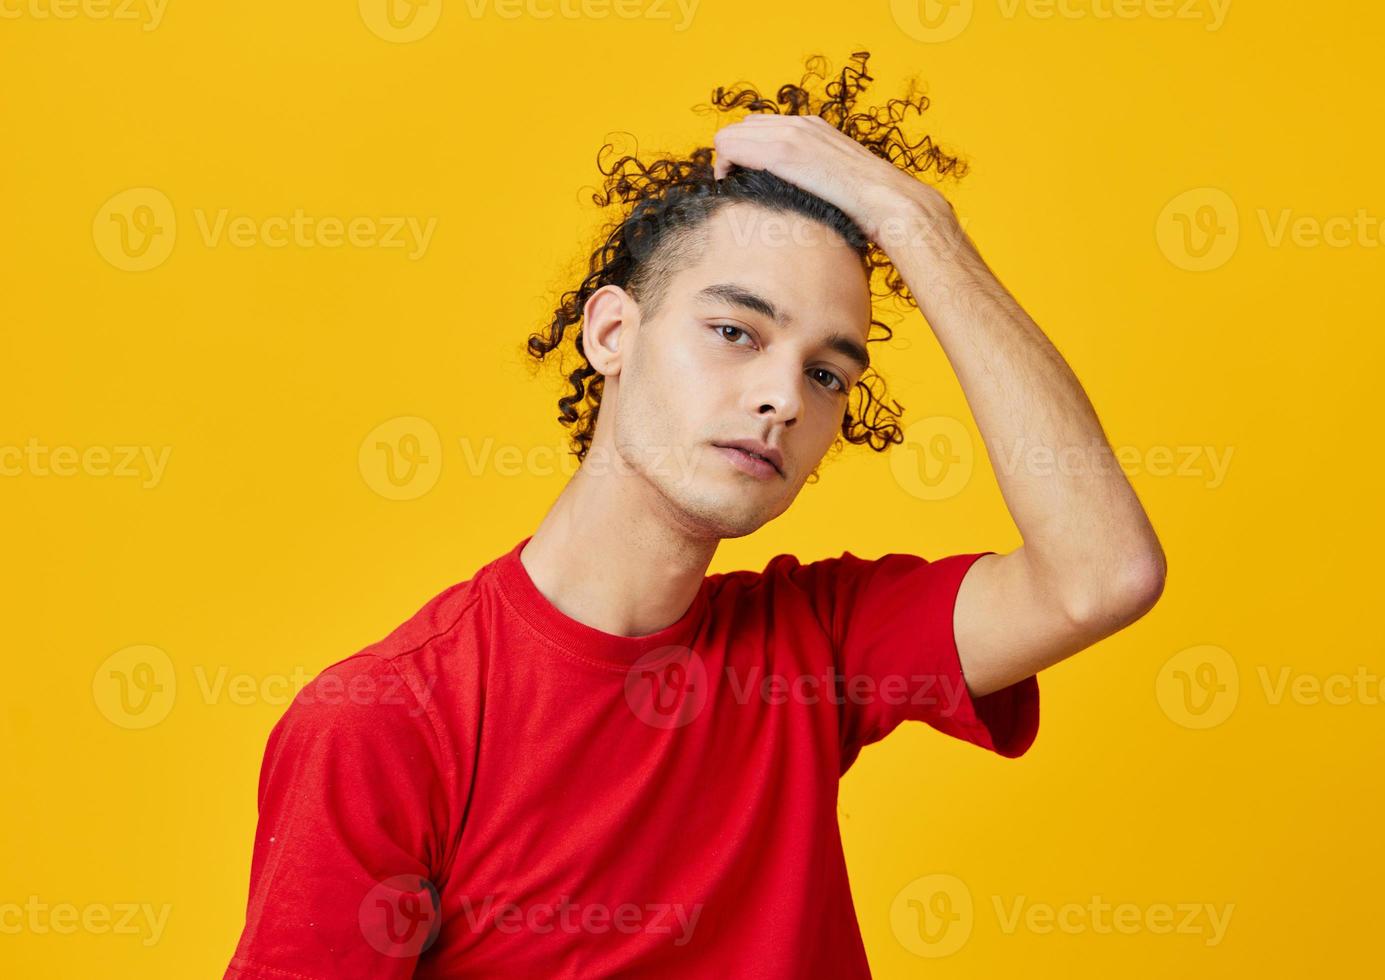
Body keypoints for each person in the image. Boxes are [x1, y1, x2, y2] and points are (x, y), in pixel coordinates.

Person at [224, 51, 1165, 979]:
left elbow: (1103, 574)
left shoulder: (815, 648)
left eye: (826, 373)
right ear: (610, 332)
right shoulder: (387, 725)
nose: (783, 398)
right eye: (734, 332)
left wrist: (918, 225)